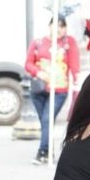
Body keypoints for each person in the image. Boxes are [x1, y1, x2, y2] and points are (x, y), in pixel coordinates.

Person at [25, 16, 80, 165]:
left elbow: (74, 64)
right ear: (49, 26)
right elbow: (28, 64)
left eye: (62, 26)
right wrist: (38, 72)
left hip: (59, 89)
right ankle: (48, 150)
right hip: (39, 88)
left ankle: (42, 152)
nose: (59, 29)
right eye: (56, 26)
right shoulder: (38, 43)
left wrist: (77, 80)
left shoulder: (69, 43)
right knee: (45, 122)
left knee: (47, 119)